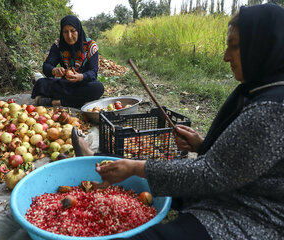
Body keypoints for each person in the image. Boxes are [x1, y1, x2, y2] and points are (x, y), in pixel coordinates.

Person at [71, 4, 284, 240]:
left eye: (233, 46)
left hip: (256, 213)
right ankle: (99, 166)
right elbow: (246, 161)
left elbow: (210, 174)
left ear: (264, 46)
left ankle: (104, 165)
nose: (225, 57)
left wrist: (138, 167)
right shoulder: (261, 88)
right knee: (152, 180)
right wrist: (202, 146)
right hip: (234, 184)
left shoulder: (272, 108)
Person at [31, 15, 104, 108]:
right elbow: (46, 66)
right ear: (62, 33)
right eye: (65, 32)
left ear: (78, 31)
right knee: (41, 83)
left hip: (84, 85)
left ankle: (55, 102)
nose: (69, 36)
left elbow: (93, 73)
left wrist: (80, 77)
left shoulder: (90, 46)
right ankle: (78, 101)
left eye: (73, 31)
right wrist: (54, 70)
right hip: (66, 85)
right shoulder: (58, 45)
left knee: (97, 88)